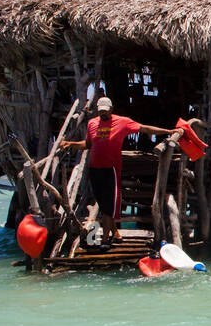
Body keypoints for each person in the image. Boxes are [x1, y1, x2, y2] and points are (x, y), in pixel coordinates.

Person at [60, 97, 184, 246]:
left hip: (110, 169)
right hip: (94, 169)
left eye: (106, 111)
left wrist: (168, 131)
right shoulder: (92, 123)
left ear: (111, 109)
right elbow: (88, 144)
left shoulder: (122, 122)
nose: (103, 114)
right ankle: (117, 234)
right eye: (101, 112)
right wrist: (71, 144)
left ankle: (105, 240)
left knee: (107, 208)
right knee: (103, 203)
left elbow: (144, 128)